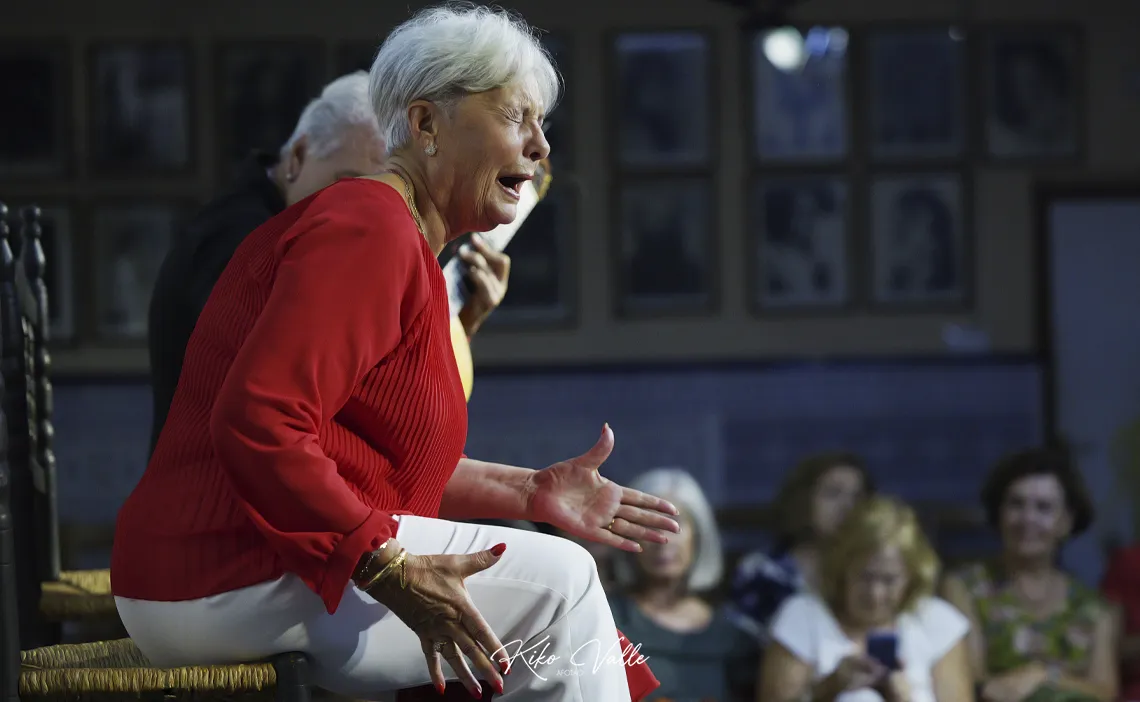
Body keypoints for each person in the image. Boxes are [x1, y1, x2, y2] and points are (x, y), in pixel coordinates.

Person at [112, 6, 678, 701]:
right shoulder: (370, 229)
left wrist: (529, 492)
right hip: (225, 572)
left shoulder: (396, 236)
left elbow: (367, 459)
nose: (540, 147)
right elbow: (259, 421)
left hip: (226, 570)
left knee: (553, 609)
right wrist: (383, 563)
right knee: (563, 588)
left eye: (541, 124)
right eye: (516, 118)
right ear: (426, 123)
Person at [146, 70, 511, 455]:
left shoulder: (302, 232)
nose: (367, 212)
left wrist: (456, 324)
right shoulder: (236, 244)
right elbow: (339, 401)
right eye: (350, 186)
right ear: (298, 157)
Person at [941, 448, 1119, 702]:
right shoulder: (964, 588)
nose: (1027, 518)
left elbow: (1105, 692)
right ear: (999, 513)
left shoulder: (1094, 609)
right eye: (1016, 504)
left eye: (1043, 508)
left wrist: (1044, 677)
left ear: (1066, 521)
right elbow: (971, 680)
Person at [759, 496, 974, 702]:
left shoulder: (937, 621)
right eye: (865, 577)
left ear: (912, 577)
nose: (875, 593)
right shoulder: (801, 616)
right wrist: (828, 688)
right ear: (842, 570)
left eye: (889, 580)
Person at [608, 468, 758, 702]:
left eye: (674, 525)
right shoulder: (607, 619)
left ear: (698, 537)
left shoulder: (734, 637)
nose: (663, 540)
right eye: (648, 525)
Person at [728, 452, 873, 643]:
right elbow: (741, 643)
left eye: (857, 497)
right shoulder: (763, 571)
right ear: (803, 501)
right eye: (833, 494)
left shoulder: (870, 572)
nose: (847, 506)